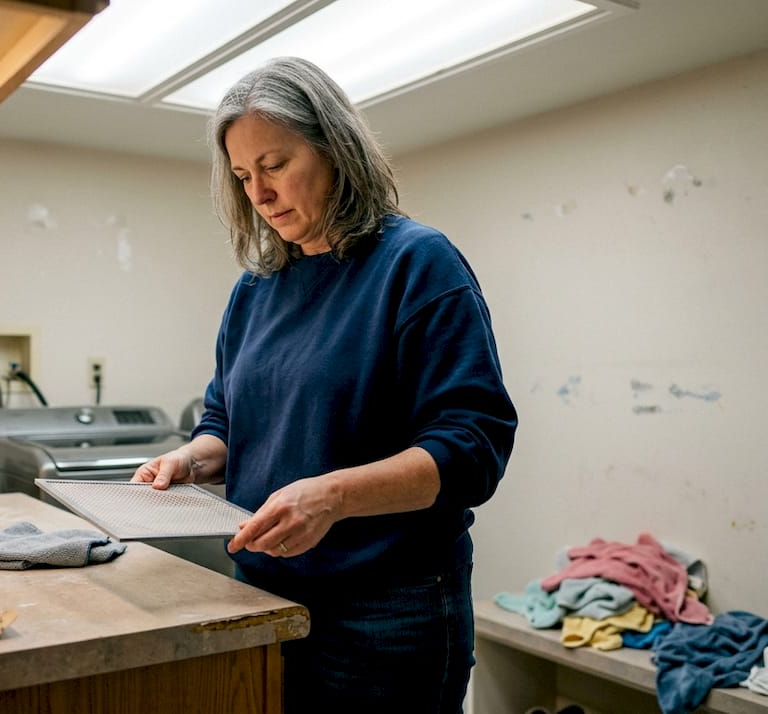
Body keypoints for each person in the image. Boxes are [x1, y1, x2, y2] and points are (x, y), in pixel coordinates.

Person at [132, 56, 517, 713]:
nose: (259, 193)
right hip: (263, 588)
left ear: (336, 150)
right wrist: (189, 459)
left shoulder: (417, 264)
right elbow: (226, 419)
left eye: (276, 165)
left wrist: (333, 496)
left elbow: (473, 447)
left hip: (391, 607)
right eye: (243, 175)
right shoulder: (255, 290)